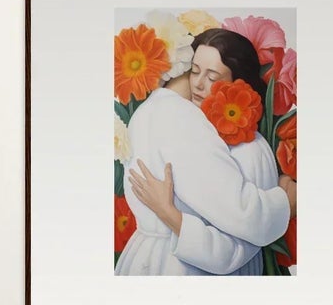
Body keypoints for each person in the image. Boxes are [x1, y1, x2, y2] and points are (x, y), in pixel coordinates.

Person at [115, 27, 295, 276]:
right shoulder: (183, 120)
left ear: (239, 84)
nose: (198, 84)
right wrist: (286, 202)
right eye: (195, 71)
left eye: (212, 77)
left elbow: (241, 232)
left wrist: (171, 215)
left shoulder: (246, 146)